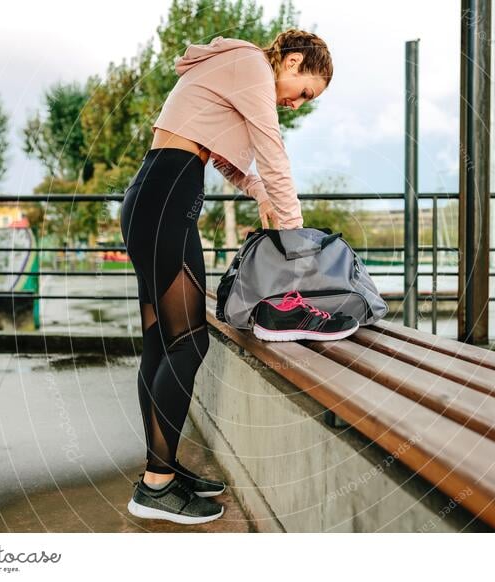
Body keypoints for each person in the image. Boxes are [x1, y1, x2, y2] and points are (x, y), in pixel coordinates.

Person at [120, 29, 333, 524]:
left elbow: (219, 154)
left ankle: (163, 468)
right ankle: (155, 486)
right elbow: (272, 150)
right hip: (166, 198)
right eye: (304, 92)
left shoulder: (239, 69)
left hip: (159, 196)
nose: (298, 104)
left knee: (162, 340)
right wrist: (297, 238)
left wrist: (257, 192)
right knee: (190, 342)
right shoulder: (253, 68)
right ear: (293, 61)